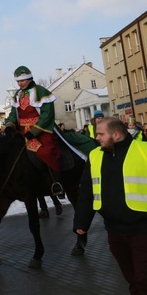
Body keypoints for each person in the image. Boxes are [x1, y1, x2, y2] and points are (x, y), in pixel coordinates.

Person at [74, 117, 147, 293]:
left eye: (100, 134)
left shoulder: (143, 150)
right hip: (114, 232)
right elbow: (87, 192)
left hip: (142, 230)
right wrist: (81, 222)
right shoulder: (95, 155)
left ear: (115, 135)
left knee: (143, 279)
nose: (96, 138)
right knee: (131, 277)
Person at [5, 66, 62, 193]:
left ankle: (56, 181)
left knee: (47, 152)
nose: (20, 84)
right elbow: (14, 114)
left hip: (41, 130)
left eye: (22, 81)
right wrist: (9, 125)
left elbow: (47, 115)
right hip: (21, 131)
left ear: (29, 78)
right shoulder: (17, 94)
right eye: (18, 81)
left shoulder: (42, 92)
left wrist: (34, 131)